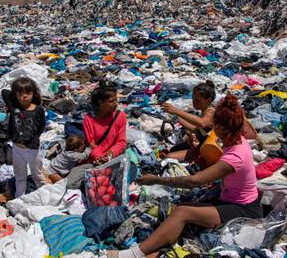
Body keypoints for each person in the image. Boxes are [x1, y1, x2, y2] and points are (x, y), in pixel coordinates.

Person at [107, 93, 263, 258]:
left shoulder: (235, 157)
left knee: (182, 212)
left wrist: (155, 180)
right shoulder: (239, 137)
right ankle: (153, 251)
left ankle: (132, 254)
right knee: (180, 212)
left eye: (215, 126)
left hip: (244, 210)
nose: (213, 130)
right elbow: (247, 129)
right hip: (230, 198)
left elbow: (194, 181)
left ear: (221, 128)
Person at [2, 77, 46, 198]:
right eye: (20, 93)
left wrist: (33, 138)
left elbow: (41, 126)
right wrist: (17, 88)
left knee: (37, 176)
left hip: (32, 150)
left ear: (33, 93)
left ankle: (45, 198)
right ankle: (19, 199)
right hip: (17, 149)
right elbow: (4, 92)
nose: (24, 96)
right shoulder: (14, 107)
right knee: (20, 177)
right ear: (15, 95)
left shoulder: (38, 109)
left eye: (28, 93)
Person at [162, 80, 216, 162]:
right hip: (202, 147)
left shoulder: (210, 112)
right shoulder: (204, 111)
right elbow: (197, 131)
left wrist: (176, 111)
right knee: (173, 150)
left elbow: (202, 123)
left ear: (208, 100)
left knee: (169, 157)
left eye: (197, 100)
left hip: (207, 152)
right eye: (193, 99)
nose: (194, 102)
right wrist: (177, 118)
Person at [83, 81, 127, 164]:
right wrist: (99, 157)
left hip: (113, 157)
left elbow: (121, 141)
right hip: (94, 159)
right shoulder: (89, 119)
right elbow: (91, 144)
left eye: (116, 100)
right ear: (100, 102)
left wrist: (110, 154)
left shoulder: (120, 116)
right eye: (111, 101)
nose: (116, 104)